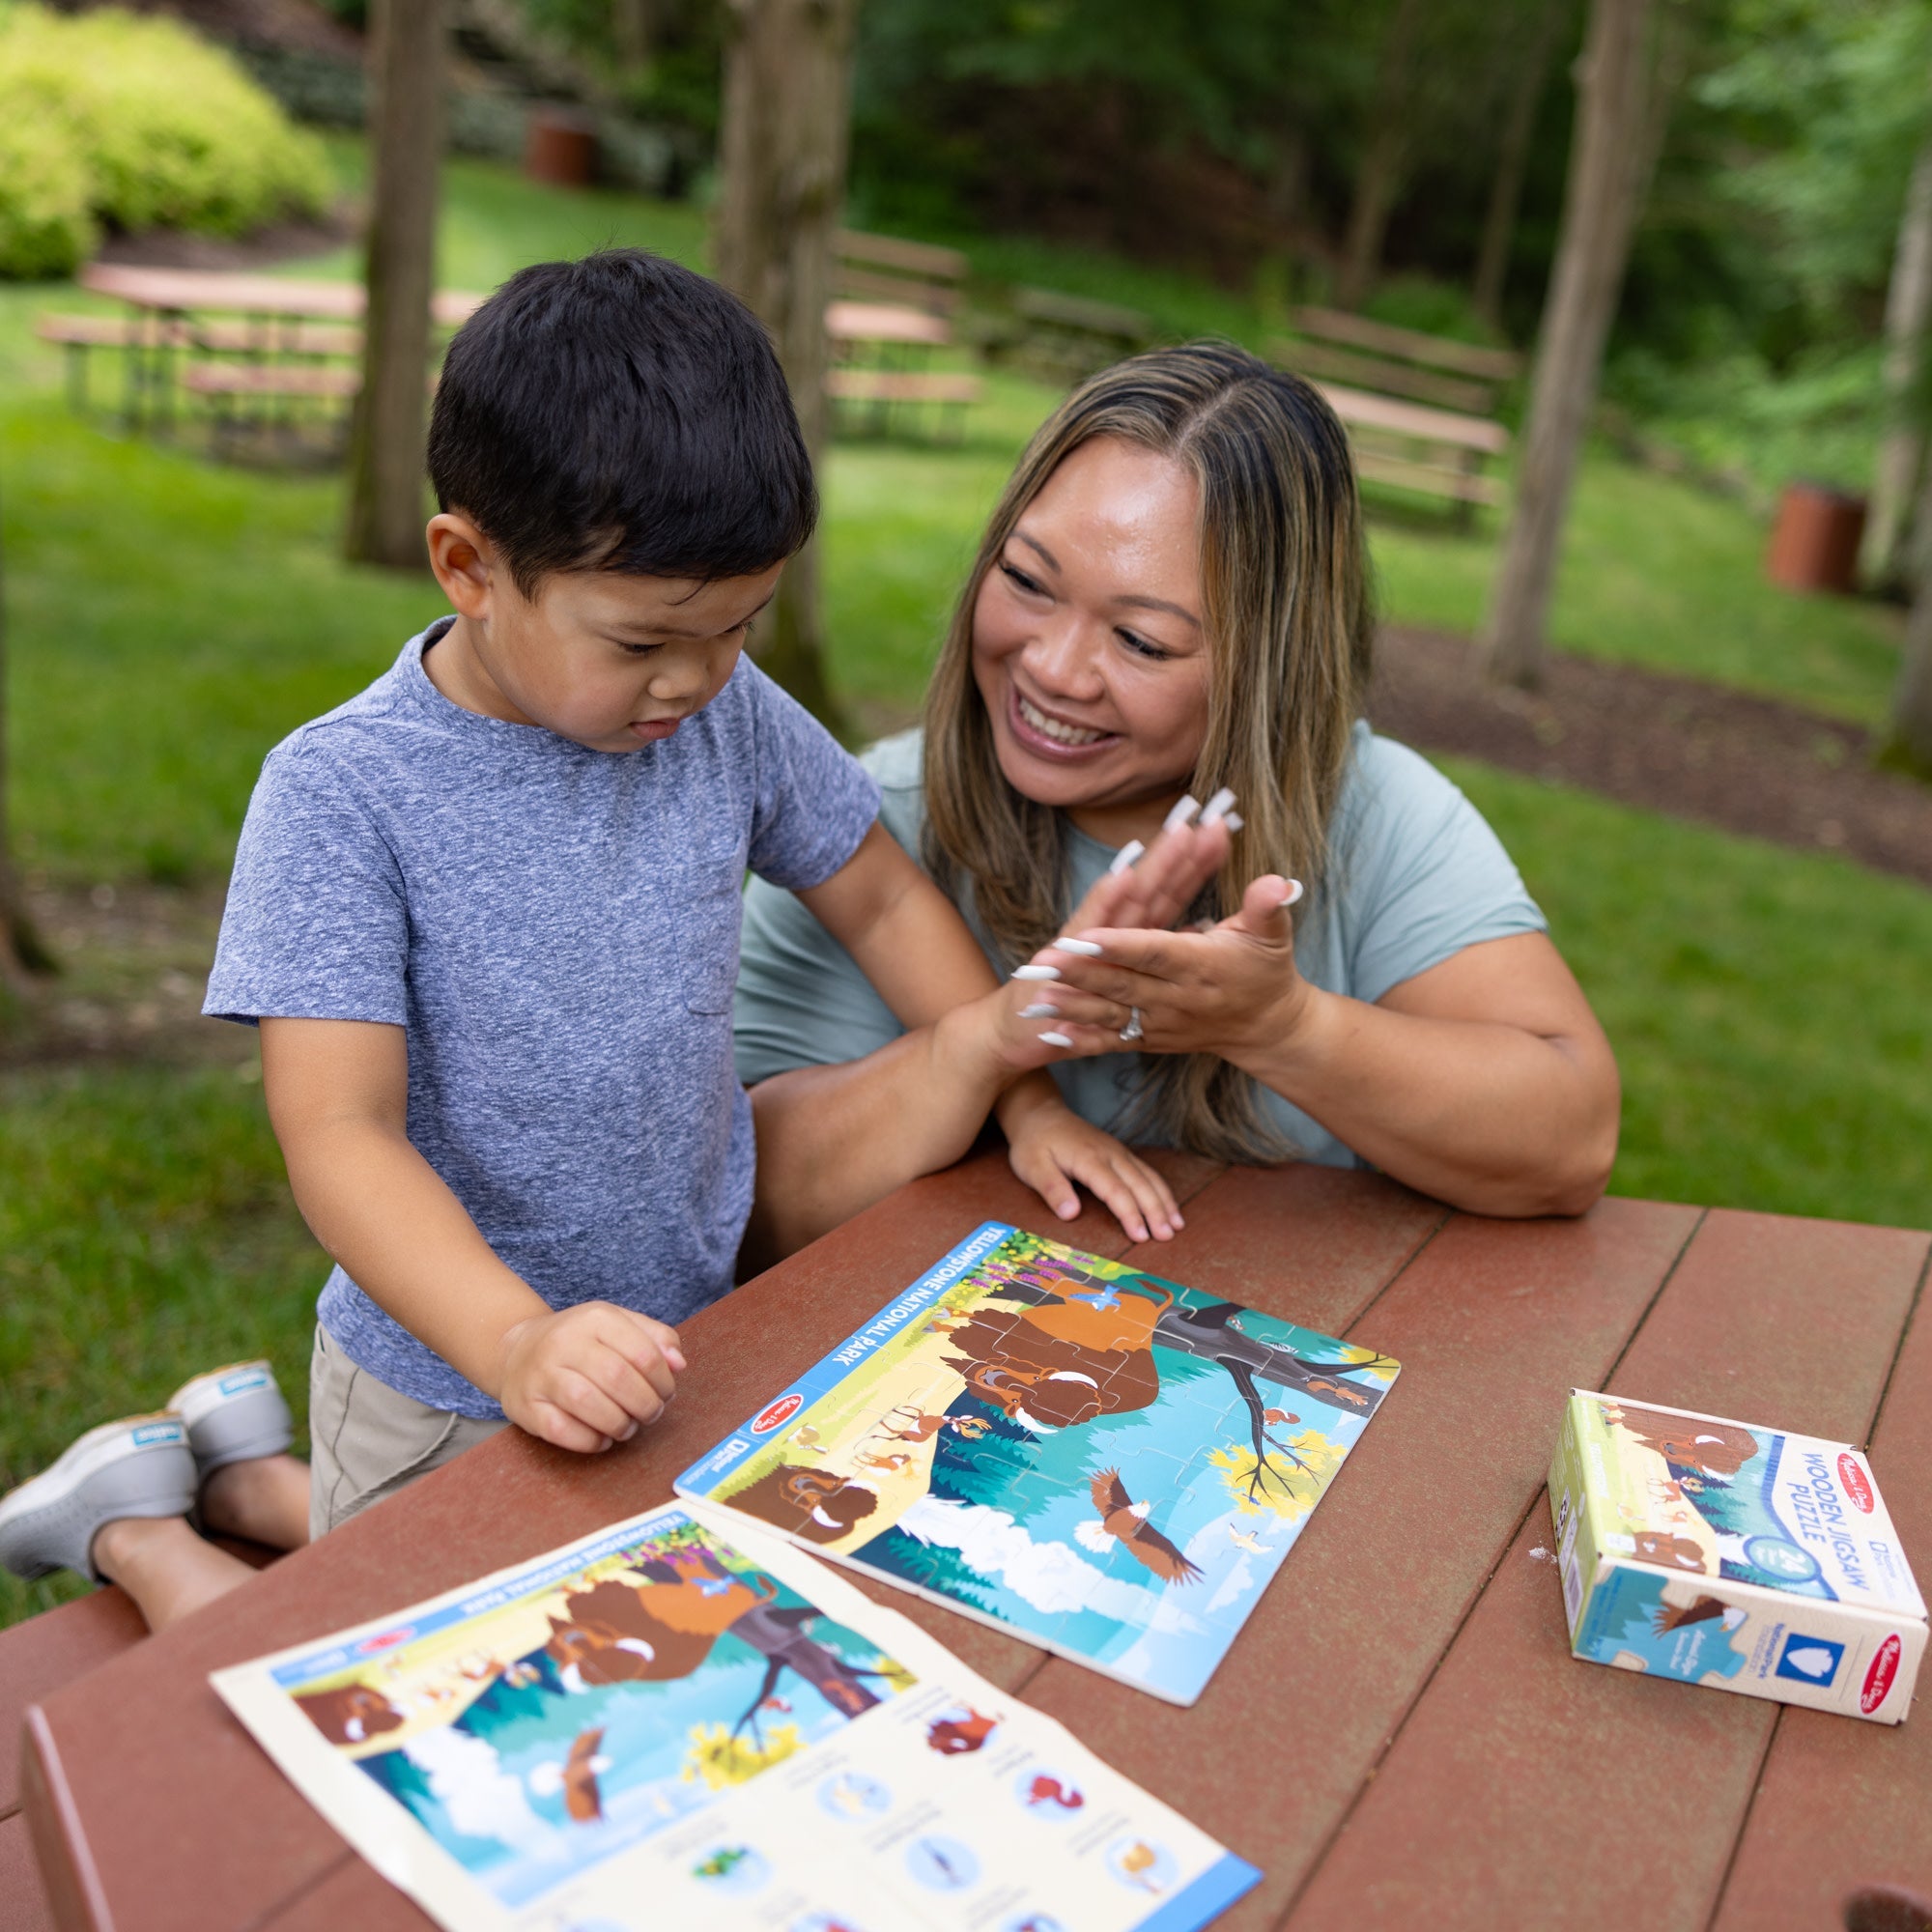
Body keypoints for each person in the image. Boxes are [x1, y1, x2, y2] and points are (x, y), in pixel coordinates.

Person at [0, 250, 1173, 1628]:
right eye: (642, 643)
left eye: (738, 627)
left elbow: (878, 892)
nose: (695, 678)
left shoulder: (721, 714)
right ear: (468, 566)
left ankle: (246, 1475)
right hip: (446, 1377)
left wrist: (1020, 1095)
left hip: (674, 1330)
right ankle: (134, 1530)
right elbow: (339, 1135)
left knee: (598, 1611)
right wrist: (513, 1343)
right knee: (400, 1661)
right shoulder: (341, 796)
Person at [734, 341, 1621, 1262]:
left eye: (1142, 641)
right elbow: (756, 1209)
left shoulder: (1376, 812)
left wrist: (1281, 1026)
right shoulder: (872, 821)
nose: (1052, 669)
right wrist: (991, 1043)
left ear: (1265, 671)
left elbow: (1570, 1145)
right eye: (1028, 582)